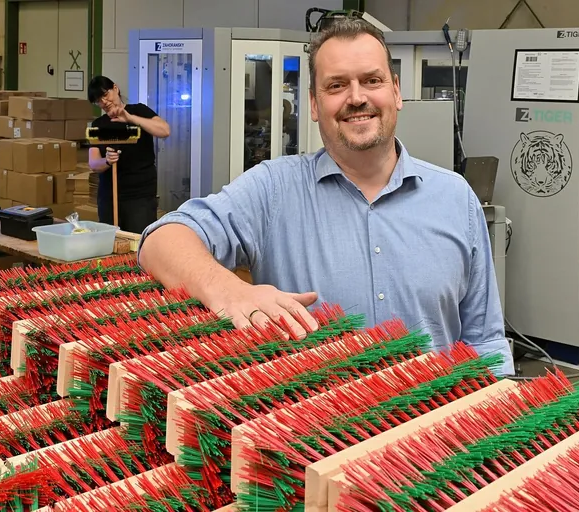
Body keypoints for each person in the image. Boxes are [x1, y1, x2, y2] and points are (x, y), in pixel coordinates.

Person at [137, 19, 514, 375]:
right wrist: (230, 290)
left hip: (433, 435)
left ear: (396, 92)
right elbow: (160, 241)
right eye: (336, 86)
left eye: (372, 80)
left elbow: (484, 342)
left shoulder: (454, 198)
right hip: (313, 434)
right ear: (314, 105)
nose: (356, 97)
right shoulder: (273, 189)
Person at [87, 76, 171, 234]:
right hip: (109, 197)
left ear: (116, 88)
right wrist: (106, 161)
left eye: (105, 95)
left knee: (138, 244)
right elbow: (93, 163)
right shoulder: (98, 124)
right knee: (111, 245)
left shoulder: (139, 110)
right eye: (98, 100)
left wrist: (130, 118)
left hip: (140, 196)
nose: (104, 102)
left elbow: (165, 130)